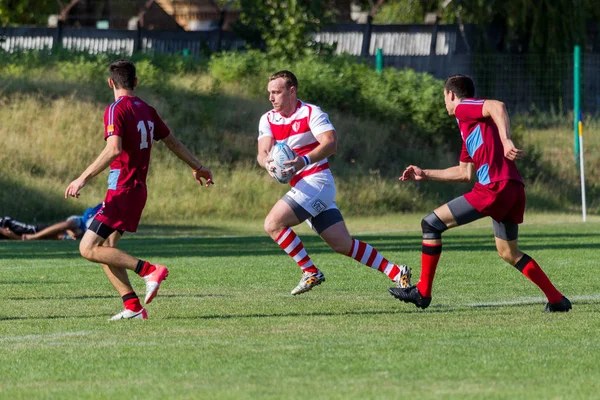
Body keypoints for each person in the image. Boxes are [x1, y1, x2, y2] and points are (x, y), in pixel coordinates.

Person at [389, 74, 571, 313]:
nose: (445, 103)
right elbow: (465, 173)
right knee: (508, 252)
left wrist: (506, 140)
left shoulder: (464, 108)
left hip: (494, 188)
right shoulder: (469, 128)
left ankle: (423, 292)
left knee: (431, 224)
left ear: (451, 95)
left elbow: (497, 106)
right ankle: (557, 300)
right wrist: (425, 174)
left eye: (444, 97)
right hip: (513, 188)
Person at [65, 59, 213, 321]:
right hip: (136, 190)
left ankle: (149, 270)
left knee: (87, 248)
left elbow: (113, 149)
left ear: (111, 82)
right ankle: (132, 306)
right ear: (135, 82)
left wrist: (82, 178)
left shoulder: (115, 109)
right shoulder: (146, 109)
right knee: (108, 248)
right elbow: (173, 143)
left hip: (122, 189)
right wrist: (198, 166)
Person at [257, 70, 411, 295]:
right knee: (342, 244)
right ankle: (398, 272)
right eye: (270, 92)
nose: (271, 97)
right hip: (304, 188)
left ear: (292, 91)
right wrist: (268, 164)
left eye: (277, 92)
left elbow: (331, 143)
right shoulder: (268, 118)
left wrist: (304, 160)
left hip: (316, 182)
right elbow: (262, 152)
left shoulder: (311, 112)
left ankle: (309, 271)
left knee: (273, 224)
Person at [0, 204, 102, 241]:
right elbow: (88, 213)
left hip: (86, 232)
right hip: (81, 222)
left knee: (60, 237)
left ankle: (22, 237)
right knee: (69, 225)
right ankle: (32, 237)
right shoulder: (103, 205)